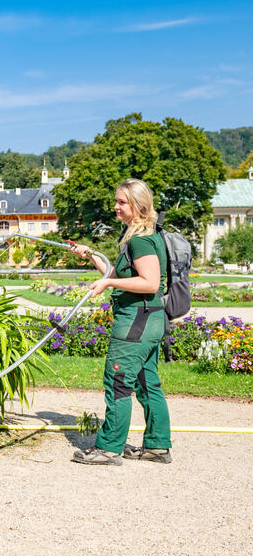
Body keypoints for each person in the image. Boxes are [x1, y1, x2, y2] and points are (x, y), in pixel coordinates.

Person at [67, 178, 172, 465]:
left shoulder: (141, 239)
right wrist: (91, 256)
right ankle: (158, 446)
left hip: (136, 319)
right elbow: (120, 273)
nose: (116, 207)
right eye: (116, 201)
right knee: (146, 381)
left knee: (118, 380)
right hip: (148, 319)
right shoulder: (137, 236)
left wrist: (109, 282)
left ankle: (109, 448)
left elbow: (150, 283)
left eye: (121, 202)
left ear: (138, 206)